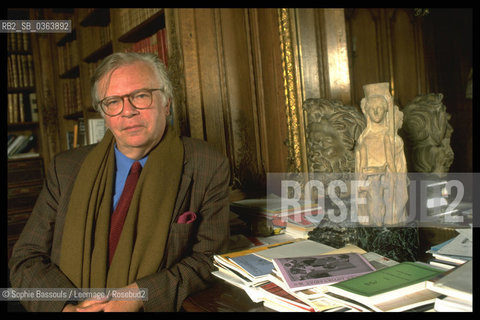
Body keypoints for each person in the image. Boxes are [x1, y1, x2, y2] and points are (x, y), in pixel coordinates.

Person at [8, 52, 231, 312]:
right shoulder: (66, 168)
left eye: (140, 96)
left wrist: (140, 295)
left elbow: (209, 260)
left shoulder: (207, 165)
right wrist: (67, 308)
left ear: (167, 103)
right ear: (104, 113)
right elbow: (26, 259)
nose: (128, 111)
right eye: (113, 102)